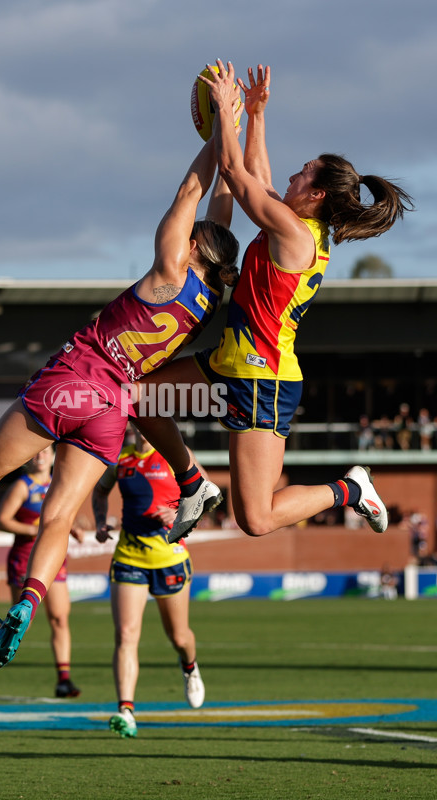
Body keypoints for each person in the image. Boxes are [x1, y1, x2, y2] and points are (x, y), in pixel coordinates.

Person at [0, 129, 239, 673]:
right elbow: (218, 222)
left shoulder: (168, 273)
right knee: (58, 518)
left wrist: (217, 132)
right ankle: (28, 604)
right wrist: (232, 139)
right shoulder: (205, 300)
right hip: (113, 410)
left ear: (194, 247)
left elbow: (188, 193)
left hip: (75, 379)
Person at [134, 60, 413, 544]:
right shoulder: (296, 222)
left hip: (263, 378)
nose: (293, 174)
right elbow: (259, 178)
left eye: (304, 174)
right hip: (231, 364)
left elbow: (236, 176)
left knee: (256, 520)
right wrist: (258, 114)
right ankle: (194, 484)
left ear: (318, 194)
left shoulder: (294, 233)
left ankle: (349, 489)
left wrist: (226, 111)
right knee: (137, 397)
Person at [92, 426, 205, 738]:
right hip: (129, 557)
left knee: (179, 637)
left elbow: (207, 496)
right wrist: (100, 522)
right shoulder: (119, 458)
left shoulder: (178, 455)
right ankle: (125, 710)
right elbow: (100, 491)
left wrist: (178, 515)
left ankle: (190, 667)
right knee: (126, 634)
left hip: (170, 558)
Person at [0, 446, 83, 698]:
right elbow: (2, 520)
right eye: (36, 451)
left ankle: (64, 679)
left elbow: (61, 517)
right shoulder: (23, 486)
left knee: (59, 618)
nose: (40, 455)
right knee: (24, 618)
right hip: (25, 559)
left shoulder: (61, 483)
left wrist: (73, 528)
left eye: (46, 451)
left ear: (54, 455)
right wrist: (36, 531)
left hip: (54, 560)